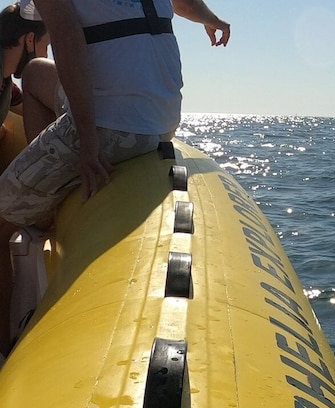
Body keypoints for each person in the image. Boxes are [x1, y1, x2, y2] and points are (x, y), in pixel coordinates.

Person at [0, 0, 230, 356]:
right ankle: (43, 184)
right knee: (34, 75)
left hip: (110, 126)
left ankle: (5, 347)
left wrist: (87, 143)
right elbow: (181, 2)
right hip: (163, 122)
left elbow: (65, 35)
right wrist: (211, 19)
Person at [0, 1, 49, 141]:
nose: (45, 56)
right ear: (30, 39)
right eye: (45, 45)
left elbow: (30, 111)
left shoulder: (7, 87)